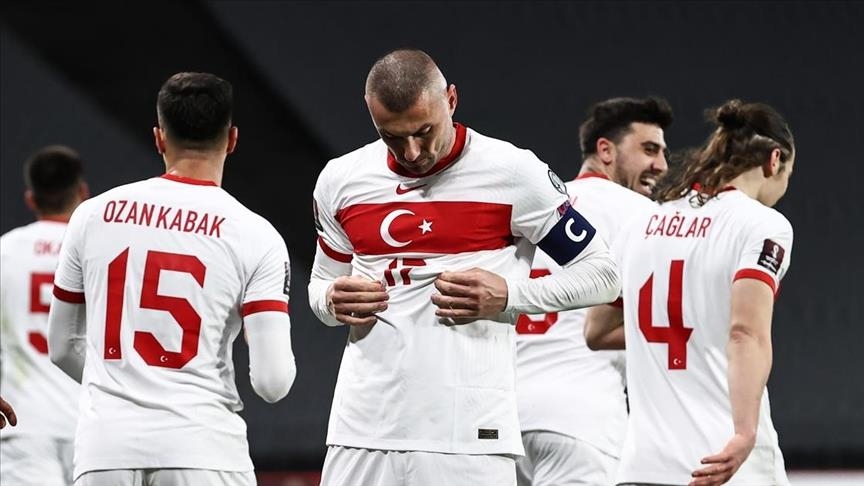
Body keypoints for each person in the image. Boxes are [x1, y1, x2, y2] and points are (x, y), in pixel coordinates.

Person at [307, 48, 621, 486]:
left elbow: (604, 276)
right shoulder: (341, 179)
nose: (412, 151)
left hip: (469, 434)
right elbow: (322, 283)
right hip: (359, 429)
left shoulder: (513, 173)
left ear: (451, 100)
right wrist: (330, 300)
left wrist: (509, 295)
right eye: (392, 136)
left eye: (424, 131)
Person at [46, 72, 297, 486]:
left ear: (159, 138)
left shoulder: (92, 216)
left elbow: (60, 347)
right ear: (232, 139)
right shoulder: (256, 234)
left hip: (105, 450)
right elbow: (273, 382)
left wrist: (123, 383)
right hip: (202, 448)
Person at [585, 99, 795, 486]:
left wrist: (688, 330)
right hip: (724, 464)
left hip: (644, 466)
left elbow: (596, 331)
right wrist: (744, 432)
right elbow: (745, 333)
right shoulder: (763, 225)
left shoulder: (642, 222)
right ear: (774, 160)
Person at [515, 97, 672, 486]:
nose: (662, 165)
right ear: (606, 150)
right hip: (581, 417)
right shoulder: (642, 214)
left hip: (503, 417)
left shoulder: (532, 208)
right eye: (649, 149)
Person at [0, 145, 89, 486]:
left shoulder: (6, 251)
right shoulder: (99, 253)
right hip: (93, 424)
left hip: (26, 423)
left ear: (31, 199)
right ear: (82, 192)